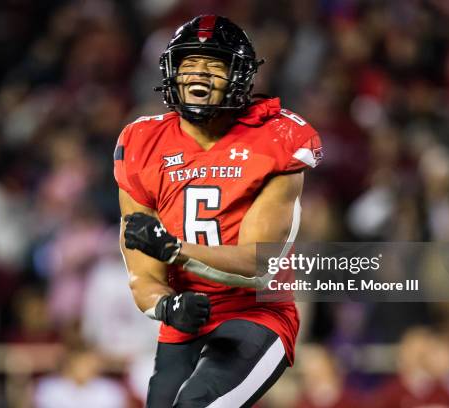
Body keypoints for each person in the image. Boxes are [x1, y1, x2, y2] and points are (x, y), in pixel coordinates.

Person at [115, 15, 323, 407]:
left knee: (196, 403)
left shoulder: (276, 138)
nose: (199, 75)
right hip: (186, 319)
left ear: (239, 76)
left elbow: (257, 263)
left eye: (214, 65)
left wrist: (175, 249)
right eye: (189, 64)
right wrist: (166, 305)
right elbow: (142, 271)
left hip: (257, 312)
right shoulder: (142, 142)